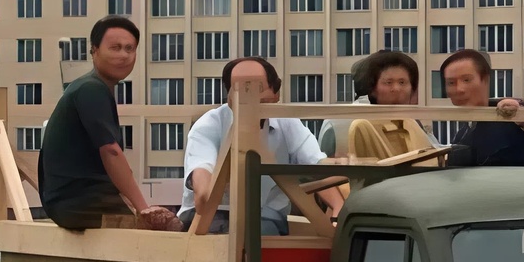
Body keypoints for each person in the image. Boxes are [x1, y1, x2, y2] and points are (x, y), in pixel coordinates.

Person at [38, 15, 180, 231]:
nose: (124, 55)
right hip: (79, 203)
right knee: (166, 230)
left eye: (130, 49)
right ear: (94, 50)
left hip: (77, 200)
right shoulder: (91, 89)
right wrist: (144, 209)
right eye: (115, 48)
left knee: (166, 226)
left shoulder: (92, 87)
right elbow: (111, 151)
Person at [177, 56, 345, 236]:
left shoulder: (287, 123)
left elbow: (316, 165)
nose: (249, 95)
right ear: (229, 96)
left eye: (257, 87)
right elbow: (202, 178)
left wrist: (338, 206)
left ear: (276, 94)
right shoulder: (209, 124)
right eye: (239, 88)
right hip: (215, 215)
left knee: (262, 233)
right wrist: (204, 194)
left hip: (267, 218)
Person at [440, 49, 524, 167]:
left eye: (467, 80)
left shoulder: (509, 109)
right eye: (451, 83)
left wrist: (519, 116)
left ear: (485, 81)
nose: (459, 89)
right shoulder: (462, 134)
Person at [345, 50, 441, 161]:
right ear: (372, 89)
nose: (396, 89)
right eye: (388, 82)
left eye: (402, 82)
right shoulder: (362, 126)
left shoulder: (411, 122)